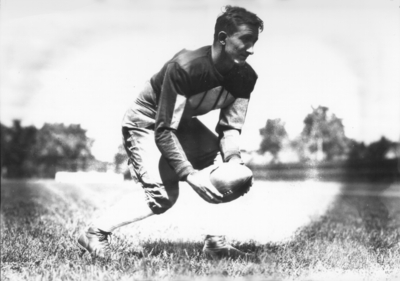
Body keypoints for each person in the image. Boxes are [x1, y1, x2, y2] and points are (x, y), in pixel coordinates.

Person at [78, 5, 263, 259]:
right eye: (245, 40)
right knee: (163, 196)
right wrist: (189, 174)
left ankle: (215, 244)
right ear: (222, 38)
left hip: (180, 122)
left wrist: (235, 163)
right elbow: (164, 130)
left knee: (219, 167)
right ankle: (94, 233)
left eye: (254, 42)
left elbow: (230, 127)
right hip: (147, 119)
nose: (252, 49)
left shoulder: (246, 77)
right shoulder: (186, 66)